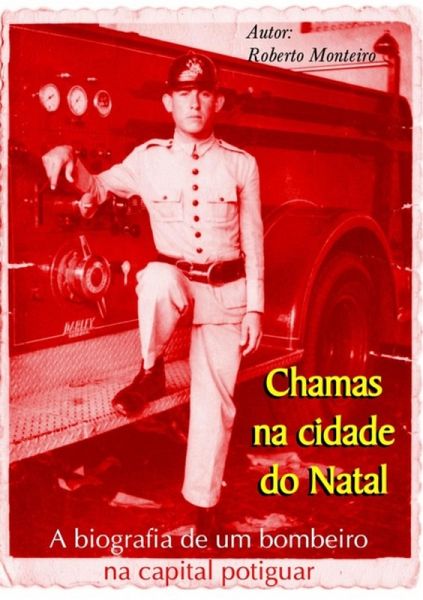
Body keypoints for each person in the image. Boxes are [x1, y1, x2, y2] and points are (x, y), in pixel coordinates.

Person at [42, 51, 264, 534]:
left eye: (203, 93)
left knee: (216, 404)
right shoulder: (148, 159)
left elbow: (254, 238)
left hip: (226, 292)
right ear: (168, 103)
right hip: (178, 281)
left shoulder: (241, 165)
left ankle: (204, 507)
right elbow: (97, 187)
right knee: (157, 279)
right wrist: (68, 156)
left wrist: (255, 309)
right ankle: (151, 369)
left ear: (218, 102)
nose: (194, 104)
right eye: (184, 94)